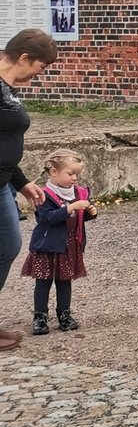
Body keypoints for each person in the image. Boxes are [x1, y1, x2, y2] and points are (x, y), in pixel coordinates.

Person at [0, 29, 55, 349]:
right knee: (6, 245)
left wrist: (21, 182)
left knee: (7, 246)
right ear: (24, 58)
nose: (40, 73)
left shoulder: (7, 87)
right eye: (41, 66)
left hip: (5, 181)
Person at [26, 149, 93, 335]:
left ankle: (64, 314)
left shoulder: (79, 193)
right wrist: (69, 208)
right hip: (47, 245)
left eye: (77, 175)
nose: (74, 178)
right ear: (54, 172)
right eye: (70, 174)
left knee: (65, 281)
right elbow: (45, 219)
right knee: (43, 282)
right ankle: (40, 317)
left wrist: (89, 212)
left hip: (69, 244)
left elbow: (78, 216)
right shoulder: (44, 194)